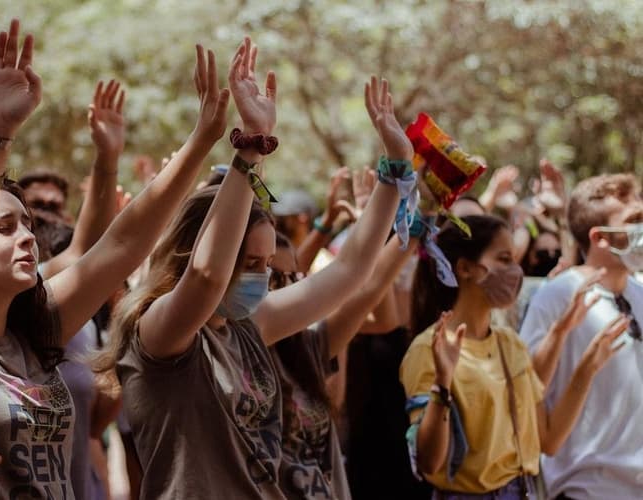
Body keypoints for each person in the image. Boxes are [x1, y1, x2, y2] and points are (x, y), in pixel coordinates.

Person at [0, 21, 232, 499]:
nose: (27, 237)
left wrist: (202, 141)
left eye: (27, 224)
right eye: (3, 228)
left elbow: (120, 246)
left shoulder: (36, 330)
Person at [94, 33, 413, 496]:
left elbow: (350, 271)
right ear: (193, 250)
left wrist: (396, 171)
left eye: (265, 263)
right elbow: (205, 278)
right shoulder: (160, 331)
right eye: (248, 262)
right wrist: (251, 148)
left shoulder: (247, 325)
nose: (262, 276)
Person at [400, 214, 628, 499]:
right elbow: (429, 462)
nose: (515, 272)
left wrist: (588, 365)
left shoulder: (509, 342)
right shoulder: (429, 350)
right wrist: (442, 384)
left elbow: (548, 438)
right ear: (465, 268)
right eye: (505, 259)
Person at [269, 226, 421, 498]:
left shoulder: (310, 345)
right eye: (270, 276)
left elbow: (369, 286)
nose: (286, 286)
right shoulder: (222, 350)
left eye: (294, 276)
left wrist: (417, 222)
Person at [520, 173, 643, 500]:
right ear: (600, 237)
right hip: (584, 491)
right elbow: (528, 394)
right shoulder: (555, 298)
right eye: (634, 220)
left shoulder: (641, 293)